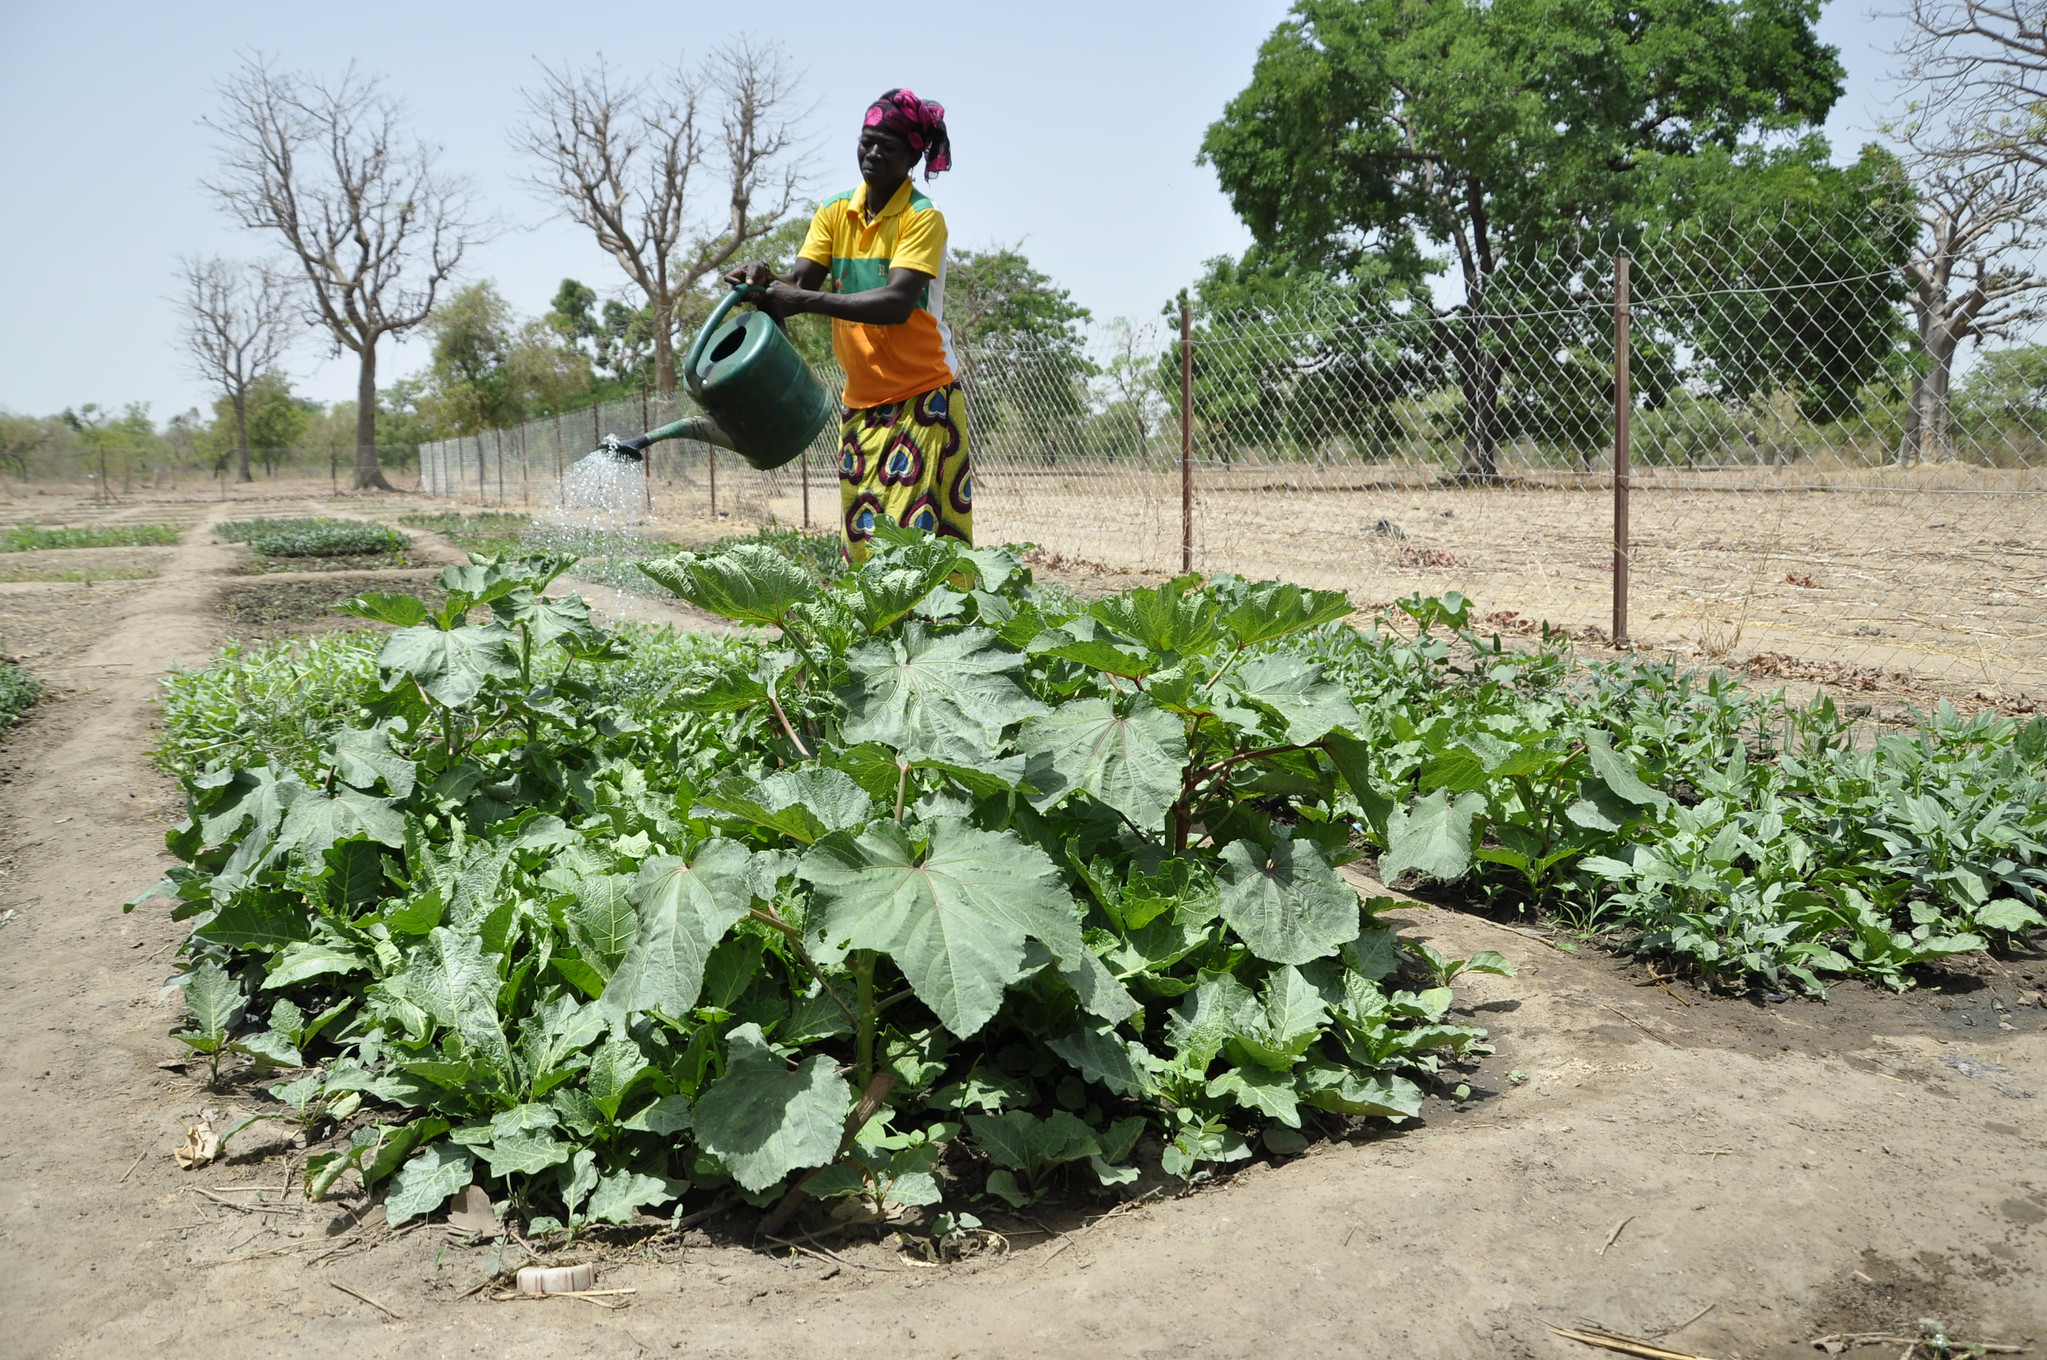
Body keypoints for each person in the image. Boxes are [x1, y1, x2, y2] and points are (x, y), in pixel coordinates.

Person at [729, 89, 968, 562]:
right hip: (860, 403)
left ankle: (930, 638)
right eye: (867, 141)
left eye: (889, 147)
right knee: (862, 545)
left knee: (909, 551)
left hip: (921, 398)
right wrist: (761, 280)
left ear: (913, 156)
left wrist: (803, 299)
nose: (874, 153)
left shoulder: (923, 217)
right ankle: (875, 640)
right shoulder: (836, 210)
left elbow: (898, 302)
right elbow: (797, 282)